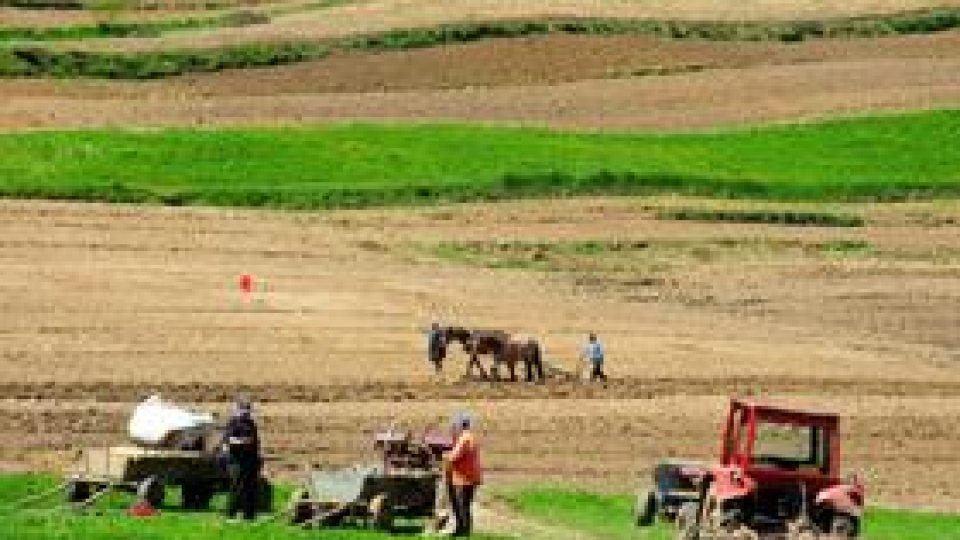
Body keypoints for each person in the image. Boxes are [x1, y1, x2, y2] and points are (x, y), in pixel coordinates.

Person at [222, 398, 262, 521]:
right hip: (237, 461)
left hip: (251, 460)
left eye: (248, 409)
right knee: (237, 488)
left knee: (251, 489)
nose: (246, 412)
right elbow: (228, 440)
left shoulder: (251, 423)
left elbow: (255, 442)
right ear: (238, 409)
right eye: (244, 409)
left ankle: (249, 516)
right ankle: (231, 514)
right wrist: (242, 441)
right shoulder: (234, 422)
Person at [444, 412, 482, 537]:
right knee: (464, 505)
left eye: (456, 425)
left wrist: (445, 456)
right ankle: (461, 529)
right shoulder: (470, 437)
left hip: (464, 478)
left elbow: (454, 456)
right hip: (469, 477)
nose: (454, 427)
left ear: (461, 425)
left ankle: (464, 531)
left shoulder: (464, 438)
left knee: (462, 505)